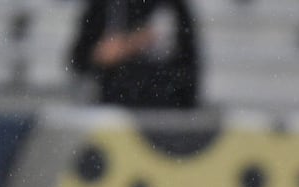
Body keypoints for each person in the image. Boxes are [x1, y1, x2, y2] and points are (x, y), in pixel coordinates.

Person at [67, 0, 200, 109]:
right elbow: (79, 59)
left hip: (164, 110)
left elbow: (189, 64)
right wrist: (100, 55)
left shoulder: (172, 6)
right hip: (116, 111)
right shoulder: (104, 6)